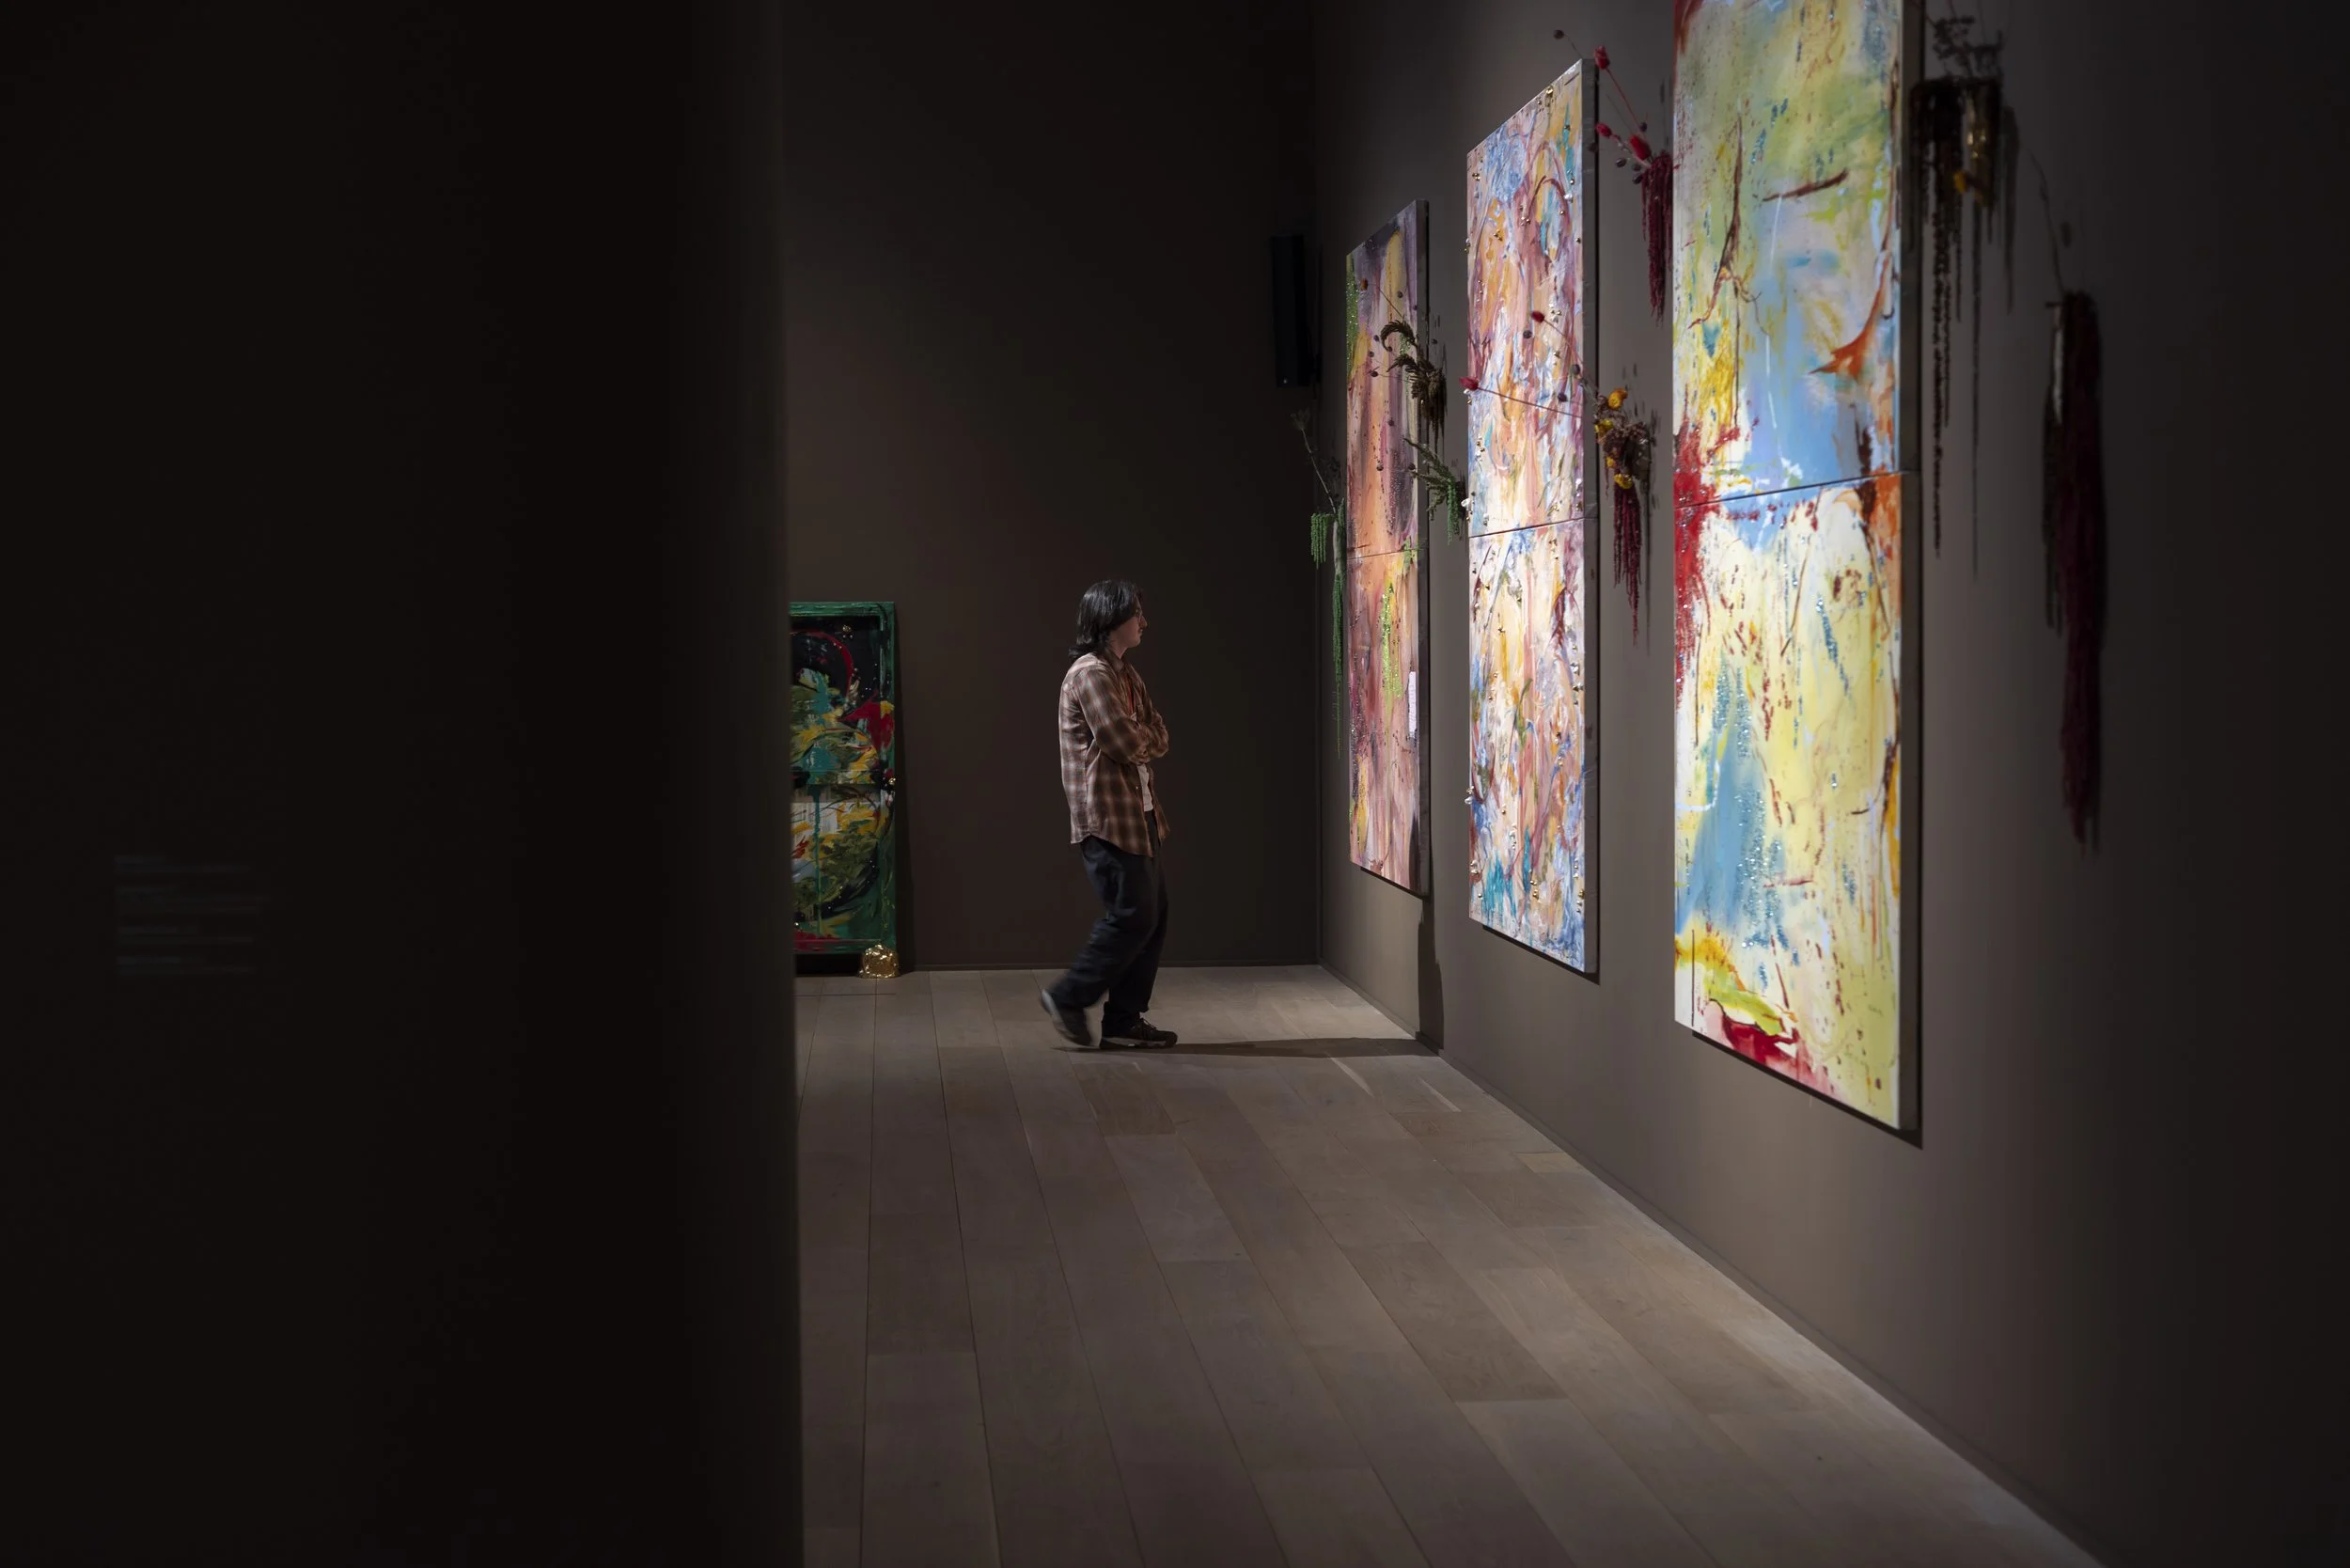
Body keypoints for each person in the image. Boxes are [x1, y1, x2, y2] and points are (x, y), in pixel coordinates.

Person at [1040, 580, 1180, 1050]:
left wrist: (1144, 736)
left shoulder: (1126, 674)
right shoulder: (1091, 674)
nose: (1144, 622)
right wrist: (1145, 736)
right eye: (1136, 613)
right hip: (1108, 817)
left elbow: (1159, 733)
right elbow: (1124, 742)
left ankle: (1122, 1019)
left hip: (1139, 813)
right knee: (1131, 916)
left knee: (1151, 916)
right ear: (1111, 619)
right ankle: (1068, 997)